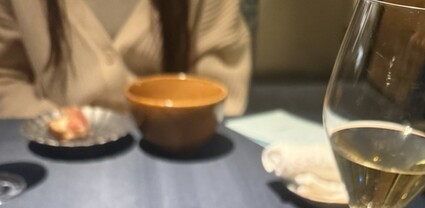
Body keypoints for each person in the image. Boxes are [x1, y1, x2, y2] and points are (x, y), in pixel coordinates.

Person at [0, 0, 251, 118]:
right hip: (53, 158)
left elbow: (222, 89)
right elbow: (6, 77)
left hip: (174, 157)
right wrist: (57, 122)